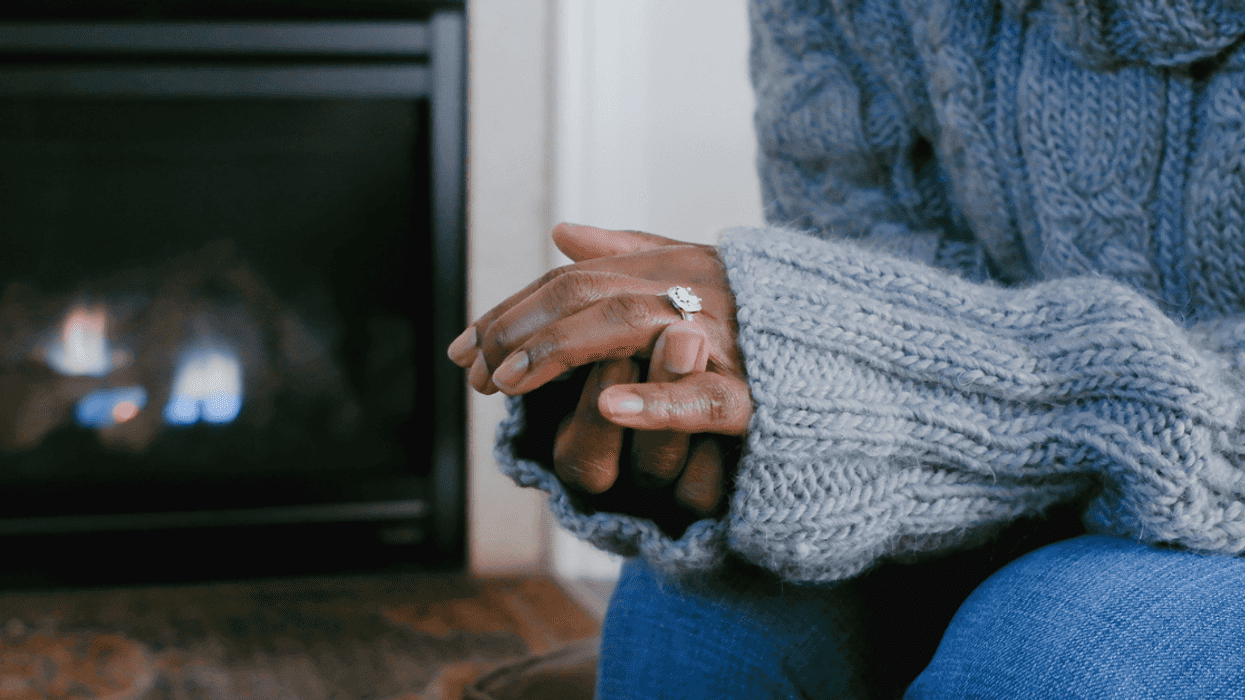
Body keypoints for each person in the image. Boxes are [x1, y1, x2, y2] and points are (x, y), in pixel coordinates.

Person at [449, 0, 1245, 697]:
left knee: (1056, 652)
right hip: (1023, 475)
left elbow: (895, 343)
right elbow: (882, 262)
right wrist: (746, 406)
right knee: (699, 611)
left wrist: (974, 387)